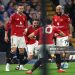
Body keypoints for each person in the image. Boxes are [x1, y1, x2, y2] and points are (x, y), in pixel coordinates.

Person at [4, 3, 28, 71]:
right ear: (17, 8)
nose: (21, 9)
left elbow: (26, 25)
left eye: (22, 8)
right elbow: (8, 25)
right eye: (20, 8)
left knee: (22, 51)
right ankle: (7, 65)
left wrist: (26, 30)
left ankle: (21, 66)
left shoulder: (24, 16)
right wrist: (6, 35)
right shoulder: (13, 15)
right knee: (13, 50)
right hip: (14, 35)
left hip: (22, 36)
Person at [52, 5, 73, 69]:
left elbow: (70, 26)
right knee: (60, 51)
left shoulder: (66, 17)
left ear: (62, 10)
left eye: (60, 9)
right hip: (58, 37)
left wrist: (70, 34)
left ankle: (66, 63)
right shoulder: (54, 17)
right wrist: (54, 34)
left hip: (65, 36)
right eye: (57, 9)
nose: (58, 10)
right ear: (56, 10)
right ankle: (62, 63)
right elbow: (53, 26)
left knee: (66, 50)